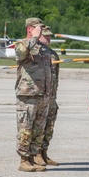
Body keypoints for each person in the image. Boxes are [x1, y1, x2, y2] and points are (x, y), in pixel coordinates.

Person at [14, 17, 52, 172]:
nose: (41, 30)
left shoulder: (43, 48)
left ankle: (33, 156)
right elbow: (21, 53)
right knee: (25, 128)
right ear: (30, 28)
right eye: (38, 27)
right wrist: (34, 37)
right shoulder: (22, 44)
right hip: (28, 95)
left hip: (43, 94)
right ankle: (23, 159)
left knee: (38, 129)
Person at [36, 24, 60, 167]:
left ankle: (44, 152)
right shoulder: (35, 52)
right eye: (46, 35)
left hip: (51, 96)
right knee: (38, 126)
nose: (49, 37)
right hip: (39, 95)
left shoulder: (52, 53)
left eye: (50, 35)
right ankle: (36, 153)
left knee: (49, 126)